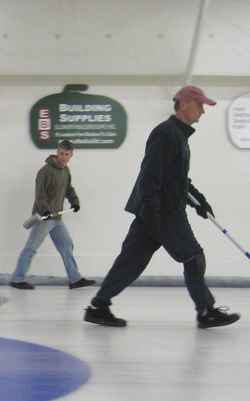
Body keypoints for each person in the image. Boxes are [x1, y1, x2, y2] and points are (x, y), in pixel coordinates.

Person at [84, 86, 240, 328]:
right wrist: (153, 213)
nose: (202, 112)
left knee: (131, 261)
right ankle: (206, 311)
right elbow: (150, 176)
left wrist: (198, 200)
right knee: (194, 256)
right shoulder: (166, 133)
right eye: (199, 106)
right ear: (184, 103)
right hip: (165, 213)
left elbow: (176, 178)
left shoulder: (177, 135)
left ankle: (98, 306)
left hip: (159, 211)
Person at [10, 140, 95, 290]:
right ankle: (17, 279)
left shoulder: (66, 171)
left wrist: (75, 202)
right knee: (31, 248)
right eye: (61, 153)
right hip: (43, 217)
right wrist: (46, 211)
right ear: (57, 152)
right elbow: (40, 195)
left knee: (67, 245)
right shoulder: (46, 171)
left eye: (66, 154)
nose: (63, 157)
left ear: (71, 155)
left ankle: (75, 279)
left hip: (56, 218)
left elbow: (69, 189)